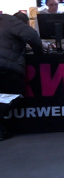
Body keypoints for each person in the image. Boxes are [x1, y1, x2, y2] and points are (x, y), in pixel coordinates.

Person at [0, 12, 43, 141]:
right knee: (9, 96)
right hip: (6, 68)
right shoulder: (10, 20)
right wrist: (39, 53)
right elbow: (31, 35)